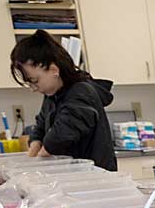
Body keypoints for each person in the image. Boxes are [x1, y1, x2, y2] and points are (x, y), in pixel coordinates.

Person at [9, 30, 117, 171]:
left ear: (54, 70)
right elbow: (40, 127)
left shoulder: (81, 93)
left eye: (35, 81)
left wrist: (30, 169)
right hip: (73, 177)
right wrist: (34, 145)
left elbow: (57, 140)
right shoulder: (52, 94)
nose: (33, 88)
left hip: (94, 180)